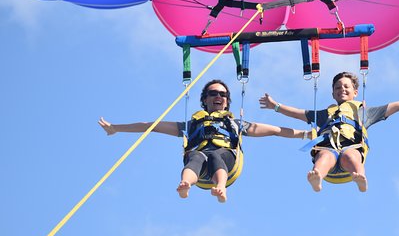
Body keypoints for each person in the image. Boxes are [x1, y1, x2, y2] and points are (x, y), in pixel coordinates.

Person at [99, 79, 307, 203]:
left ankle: (221, 188)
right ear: (205, 99)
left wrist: (306, 134)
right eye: (213, 93)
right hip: (199, 166)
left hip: (226, 160)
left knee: (216, 155)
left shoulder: (236, 124)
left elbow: (276, 131)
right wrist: (116, 128)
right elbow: (151, 125)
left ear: (227, 101)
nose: (219, 96)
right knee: (197, 155)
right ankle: (185, 184)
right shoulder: (191, 126)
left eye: (223, 94)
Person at [259, 71, 399, 193]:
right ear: (333, 94)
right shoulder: (326, 114)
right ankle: (317, 176)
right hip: (330, 149)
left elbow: (398, 105)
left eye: (346, 86)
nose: (342, 89)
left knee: (350, 155)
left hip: (352, 148)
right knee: (324, 155)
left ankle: (359, 176)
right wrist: (275, 106)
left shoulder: (364, 112)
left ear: (355, 92)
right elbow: (298, 114)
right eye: (338, 87)